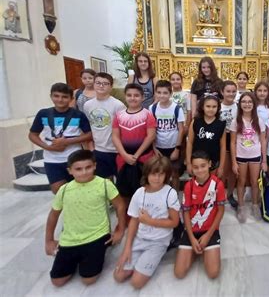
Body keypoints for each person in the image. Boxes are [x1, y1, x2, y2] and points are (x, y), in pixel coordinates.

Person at [44, 150, 126, 287]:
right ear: (70, 171)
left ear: (95, 166)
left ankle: (97, 253)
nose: (84, 172)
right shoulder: (64, 190)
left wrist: (120, 230)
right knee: (57, 281)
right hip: (70, 239)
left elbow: (120, 206)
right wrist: (49, 240)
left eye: (88, 167)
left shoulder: (104, 184)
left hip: (97, 236)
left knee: (89, 279)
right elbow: (53, 214)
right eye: (78, 169)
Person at [114, 156, 180, 289]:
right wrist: (127, 249)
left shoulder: (170, 193)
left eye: (161, 174)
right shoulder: (139, 193)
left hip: (158, 241)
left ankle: (154, 256)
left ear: (166, 176)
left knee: (136, 283)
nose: (157, 178)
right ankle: (139, 261)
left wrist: (150, 221)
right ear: (147, 174)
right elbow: (134, 221)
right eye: (153, 174)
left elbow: (174, 222)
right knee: (119, 276)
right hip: (140, 238)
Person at [29, 83, 92, 193]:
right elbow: (32, 135)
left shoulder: (78, 115)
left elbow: (90, 134)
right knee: (58, 192)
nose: (60, 100)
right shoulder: (43, 114)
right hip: (52, 160)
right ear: (51, 96)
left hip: (74, 158)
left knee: (79, 190)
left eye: (64, 97)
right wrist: (48, 147)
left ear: (71, 98)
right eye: (56, 96)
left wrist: (67, 142)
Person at [174, 150, 226, 280]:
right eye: (195, 167)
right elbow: (185, 212)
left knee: (213, 273)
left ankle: (203, 249)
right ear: (191, 167)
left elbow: (220, 211)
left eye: (203, 166)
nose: (200, 170)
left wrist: (208, 236)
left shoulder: (218, 185)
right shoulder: (188, 186)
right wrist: (191, 238)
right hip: (191, 230)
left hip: (210, 231)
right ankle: (195, 249)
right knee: (179, 273)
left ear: (209, 164)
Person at [112, 84, 156, 212]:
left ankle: (144, 215)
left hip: (143, 158)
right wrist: (125, 155)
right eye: (129, 95)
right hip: (123, 158)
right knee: (124, 191)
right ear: (125, 97)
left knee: (145, 188)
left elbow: (151, 136)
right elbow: (115, 137)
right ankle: (128, 217)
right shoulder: (119, 115)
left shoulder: (147, 115)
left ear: (142, 97)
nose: (133, 98)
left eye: (136, 95)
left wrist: (136, 155)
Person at [230, 92, 267, 223]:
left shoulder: (259, 121)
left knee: (254, 182)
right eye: (244, 102)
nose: (247, 104)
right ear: (240, 104)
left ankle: (255, 205)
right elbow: (232, 142)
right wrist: (233, 162)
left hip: (255, 156)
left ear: (254, 104)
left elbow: (263, 141)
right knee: (241, 182)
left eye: (250, 102)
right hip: (241, 156)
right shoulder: (236, 121)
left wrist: (264, 161)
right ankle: (241, 206)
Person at [83, 72, 125, 179]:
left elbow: (123, 128)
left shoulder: (118, 105)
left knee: (120, 181)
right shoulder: (88, 105)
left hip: (116, 150)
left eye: (105, 84)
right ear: (94, 84)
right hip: (98, 150)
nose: (101, 86)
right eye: (98, 83)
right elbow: (88, 126)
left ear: (111, 87)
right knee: (104, 183)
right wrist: (91, 148)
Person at [150, 80, 185, 190]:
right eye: (159, 92)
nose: (162, 95)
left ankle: (174, 195)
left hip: (173, 146)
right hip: (159, 146)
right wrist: (154, 148)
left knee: (174, 173)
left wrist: (177, 149)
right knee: (160, 172)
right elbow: (151, 129)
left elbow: (181, 129)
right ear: (155, 93)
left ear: (170, 94)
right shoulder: (153, 108)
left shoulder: (176, 108)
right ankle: (162, 194)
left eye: (165, 93)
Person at [186, 95, 226, 178]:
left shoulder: (221, 124)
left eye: (214, 106)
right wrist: (189, 163)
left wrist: (221, 167)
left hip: (214, 162)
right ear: (202, 107)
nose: (211, 109)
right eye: (208, 106)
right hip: (197, 162)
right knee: (198, 187)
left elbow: (223, 147)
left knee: (211, 187)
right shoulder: (196, 122)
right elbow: (189, 142)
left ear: (218, 108)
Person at [219, 80, 239, 208]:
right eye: (228, 91)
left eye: (233, 91)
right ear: (222, 92)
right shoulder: (217, 106)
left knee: (233, 170)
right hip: (221, 138)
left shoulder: (238, 106)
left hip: (236, 138)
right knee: (222, 170)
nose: (231, 94)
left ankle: (230, 194)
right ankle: (220, 195)